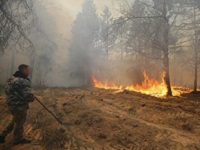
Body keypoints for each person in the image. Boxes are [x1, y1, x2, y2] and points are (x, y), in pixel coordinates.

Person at [0, 64, 35, 145]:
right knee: (19, 123)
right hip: (19, 105)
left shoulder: (11, 79)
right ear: (24, 70)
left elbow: (8, 91)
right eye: (28, 70)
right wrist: (32, 97)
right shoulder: (23, 81)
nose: (29, 71)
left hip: (11, 104)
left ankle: (3, 135)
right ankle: (18, 139)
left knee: (15, 120)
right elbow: (28, 96)